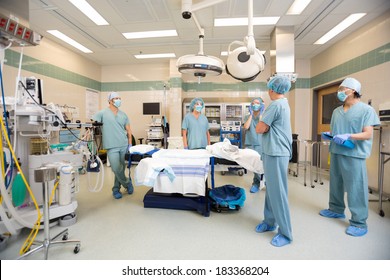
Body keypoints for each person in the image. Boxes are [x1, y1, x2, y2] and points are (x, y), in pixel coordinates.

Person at [319, 77, 380, 237]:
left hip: (354, 154)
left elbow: (367, 134)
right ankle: (336, 209)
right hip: (337, 151)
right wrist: (329, 135)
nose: (339, 92)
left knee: (356, 188)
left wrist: (349, 136)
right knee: (336, 184)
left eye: (342, 89)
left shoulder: (366, 110)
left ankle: (359, 222)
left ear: (352, 90)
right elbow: (336, 130)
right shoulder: (336, 111)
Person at [255, 75, 293, 247]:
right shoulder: (283, 104)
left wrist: (264, 123)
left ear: (272, 89)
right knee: (271, 190)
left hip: (277, 153)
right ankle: (270, 222)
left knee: (278, 193)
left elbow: (260, 128)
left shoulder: (276, 105)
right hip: (274, 151)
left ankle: (286, 234)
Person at [93, 91, 134, 199]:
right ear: (110, 101)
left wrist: (130, 144)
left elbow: (129, 130)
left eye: (119, 98)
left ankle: (116, 189)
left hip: (123, 144)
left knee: (121, 167)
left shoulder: (123, 114)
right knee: (116, 168)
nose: (118, 100)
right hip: (111, 145)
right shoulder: (102, 113)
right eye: (116, 98)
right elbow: (92, 124)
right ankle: (127, 183)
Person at [243, 97, 266, 193]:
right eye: (253, 103)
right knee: (254, 165)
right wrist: (251, 115)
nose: (255, 105)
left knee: (263, 165)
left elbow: (262, 127)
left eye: (257, 103)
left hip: (261, 143)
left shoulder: (264, 116)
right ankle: (256, 183)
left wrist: (261, 114)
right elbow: (246, 126)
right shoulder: (248, 116)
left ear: (261, 105)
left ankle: (266, 182)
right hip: (251, 143)